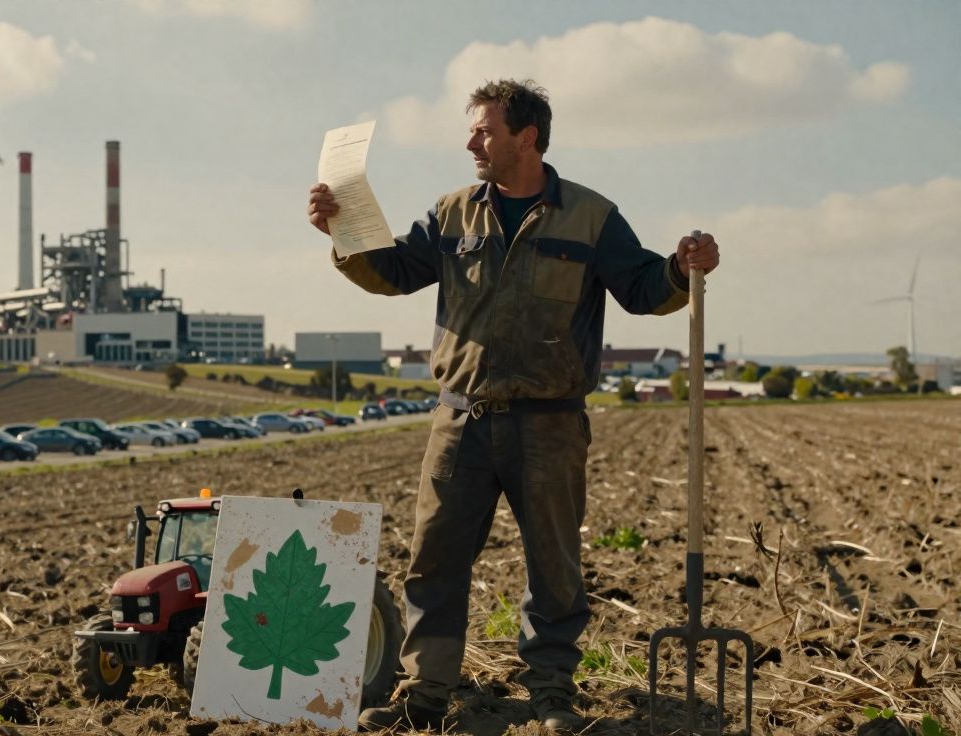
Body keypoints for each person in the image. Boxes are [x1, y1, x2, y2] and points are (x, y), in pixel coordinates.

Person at [306, 79, 720, 733]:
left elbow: (643, 289)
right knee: (435, 560)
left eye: (484, 130)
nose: (471, 141)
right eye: (472, 130)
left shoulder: (590, 217)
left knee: (553, 564)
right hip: (459, 419)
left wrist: (680, 266)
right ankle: (426, 691)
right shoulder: (450, 214)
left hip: (550, 424)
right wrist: (342, 235)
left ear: (525, 137)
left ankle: (552, 692)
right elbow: (395, 271)